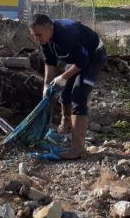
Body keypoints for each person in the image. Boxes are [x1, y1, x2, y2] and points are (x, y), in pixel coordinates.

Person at [29, 14, 107, 159]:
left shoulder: (67, 35)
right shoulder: (45, 38)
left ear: (49, 28)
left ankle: (77, 148)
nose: (36, 39)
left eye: (38, 35)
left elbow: (83, 62)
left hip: (93, 57)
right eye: (34, 35)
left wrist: (63, 77)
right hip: (76, 58)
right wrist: (47, 84)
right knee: (64, 92)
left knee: (78, 95)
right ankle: (66, 125)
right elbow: (50, 62)